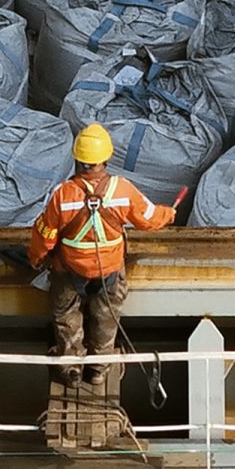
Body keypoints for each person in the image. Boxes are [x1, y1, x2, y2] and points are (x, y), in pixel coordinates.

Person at [27, 122, 177, 385]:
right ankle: (98, 370)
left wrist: (37, 260)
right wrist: (170, 214)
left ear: (78, 158)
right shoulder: (122, 190)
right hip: (109, 270)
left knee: (66, 318)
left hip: (69, 271)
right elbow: (149, 219)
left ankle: (72, 371)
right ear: (106, 158)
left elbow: (45, 235)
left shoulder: (63, 195)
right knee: (106, 317)